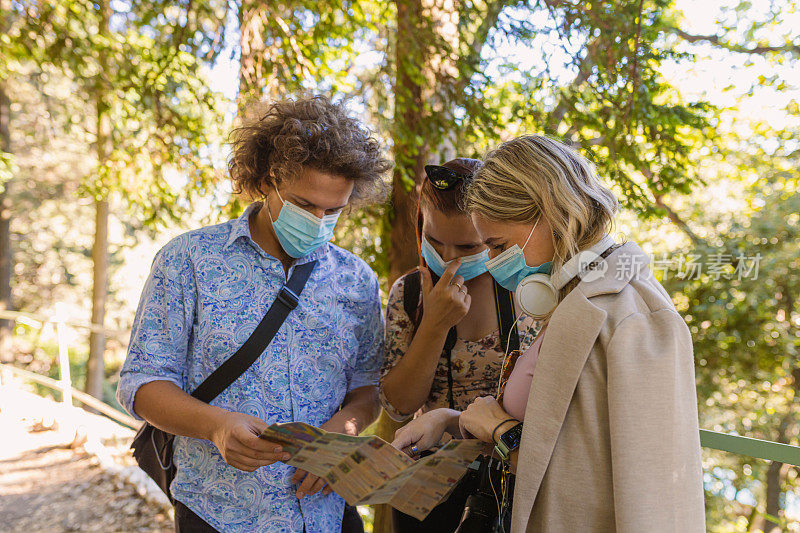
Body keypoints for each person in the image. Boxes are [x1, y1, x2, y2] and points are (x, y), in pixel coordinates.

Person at [395, 135, 705, 532]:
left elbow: (647, 488)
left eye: (497, 245)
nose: (491, 263)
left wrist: (500, 430)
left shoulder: (631, 316)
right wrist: (452, 419)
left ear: (550, 215)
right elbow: (559, 436)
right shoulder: (576, 300)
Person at [116, 95, 392, 533]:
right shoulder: (188, 260)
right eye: (304, 205)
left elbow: (368, 387)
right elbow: (141, 384)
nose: (319, 221)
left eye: (333, 211)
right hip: (218, 513)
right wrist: (217, 427)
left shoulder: (356, 280)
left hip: (327, 513)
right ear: (266, 181)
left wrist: (341, 434)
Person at [381, 159, 540, 531]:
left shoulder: (528, 291)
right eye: (434, 242)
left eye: (468, 246)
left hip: (505, 485)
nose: (449, 258)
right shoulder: (409, 293)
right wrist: (434, 324)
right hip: (424, 491)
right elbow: (399, 406)